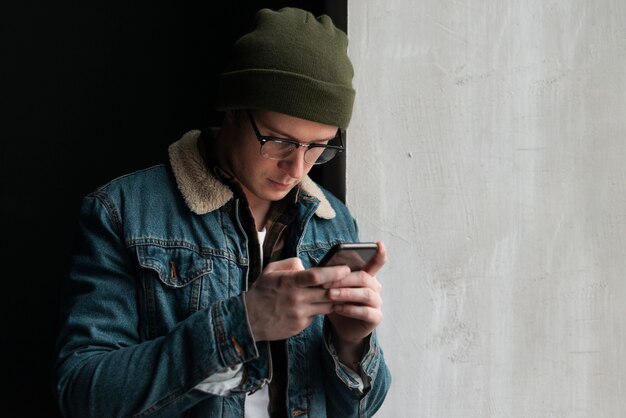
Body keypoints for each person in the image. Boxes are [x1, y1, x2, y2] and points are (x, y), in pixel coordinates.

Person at [53, 7, 391, 418]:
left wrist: (353, 345)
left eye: (319, 146)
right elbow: (82, 394)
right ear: (233, 110)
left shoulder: (331, 220)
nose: (297, 167)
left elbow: (357, 409)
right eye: (279, 140)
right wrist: (241, 323)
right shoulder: (124, 212)